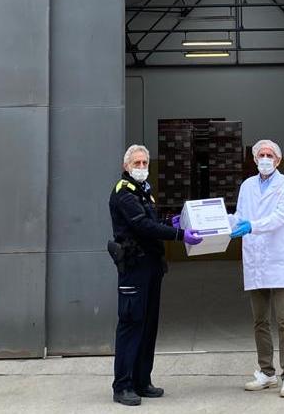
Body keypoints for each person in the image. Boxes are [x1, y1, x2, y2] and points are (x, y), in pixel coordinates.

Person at [108, 144, 203, 406]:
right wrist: (179, 234)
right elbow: (141, 225)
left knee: (148, 325)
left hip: (151, 267)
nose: (141, 167)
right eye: (136, 163)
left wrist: (170, 222)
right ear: (126, 166)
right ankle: (123, 385)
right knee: (131, 324)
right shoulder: (124, 192)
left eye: (144, 163)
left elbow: (151, 222)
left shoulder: (143, 191)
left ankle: (142, 381)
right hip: (134, 268)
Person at [230, 139, 284, 398]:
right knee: (260, 320)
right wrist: (211, 223)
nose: (265, 159)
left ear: (278, 160)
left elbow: (280, 217)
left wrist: (252, 226)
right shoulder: (247, 186)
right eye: (261, 154)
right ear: (254, 158)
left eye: (270, 155)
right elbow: (239, 216)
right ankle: (267, 372)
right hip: (256, 260)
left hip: (279, 260)